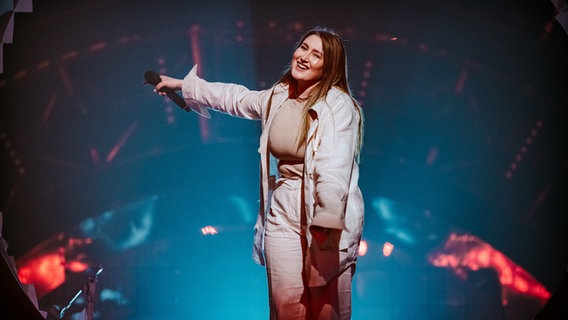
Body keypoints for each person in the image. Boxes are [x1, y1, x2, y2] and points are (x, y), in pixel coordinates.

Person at [152, 26, 365, 320]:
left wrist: (326, 225)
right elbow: (235, 97)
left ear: (329, 67)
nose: (304, 57)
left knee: (324, 309)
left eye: (316, 55)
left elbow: (333, 170)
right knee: (285, 305)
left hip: (324, 210)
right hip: (282, 207)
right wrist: (182, 85)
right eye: (303, 48)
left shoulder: (339, 106)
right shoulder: (278, 96)